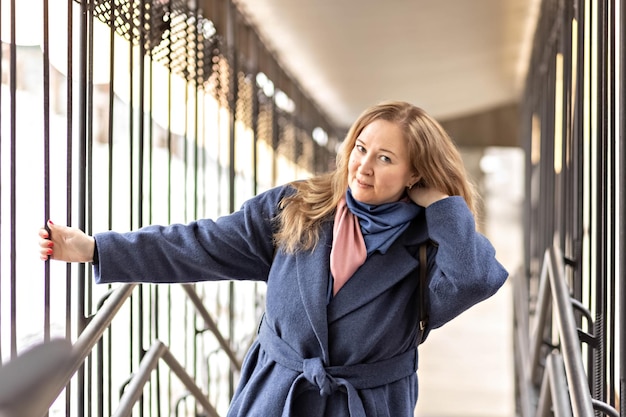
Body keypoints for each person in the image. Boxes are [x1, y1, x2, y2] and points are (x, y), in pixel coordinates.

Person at [38, 100, 508, 417]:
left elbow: (471, 279)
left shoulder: (429, 242)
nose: (363, 166)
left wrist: (445, 206)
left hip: (365, 404)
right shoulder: (298, 206)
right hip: (275, 395)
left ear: (415, 174)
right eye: (361, 148)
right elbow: (203, 244)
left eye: (386, 158)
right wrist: (97, 248)